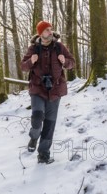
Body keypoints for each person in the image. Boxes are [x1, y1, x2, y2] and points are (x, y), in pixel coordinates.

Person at [21, 20, 75, 164]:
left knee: (50, 125)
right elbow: (23, 67)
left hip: (55, 90)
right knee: (37, 117)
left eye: (51, 29)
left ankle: (43, 155)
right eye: (46, 30)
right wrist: (30, 61)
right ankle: (34, 137)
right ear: (40, 33)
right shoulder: (33, 49)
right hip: (38, 89)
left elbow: (72, 63)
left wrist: (65, 61)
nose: (50, 32)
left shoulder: (59, 47)